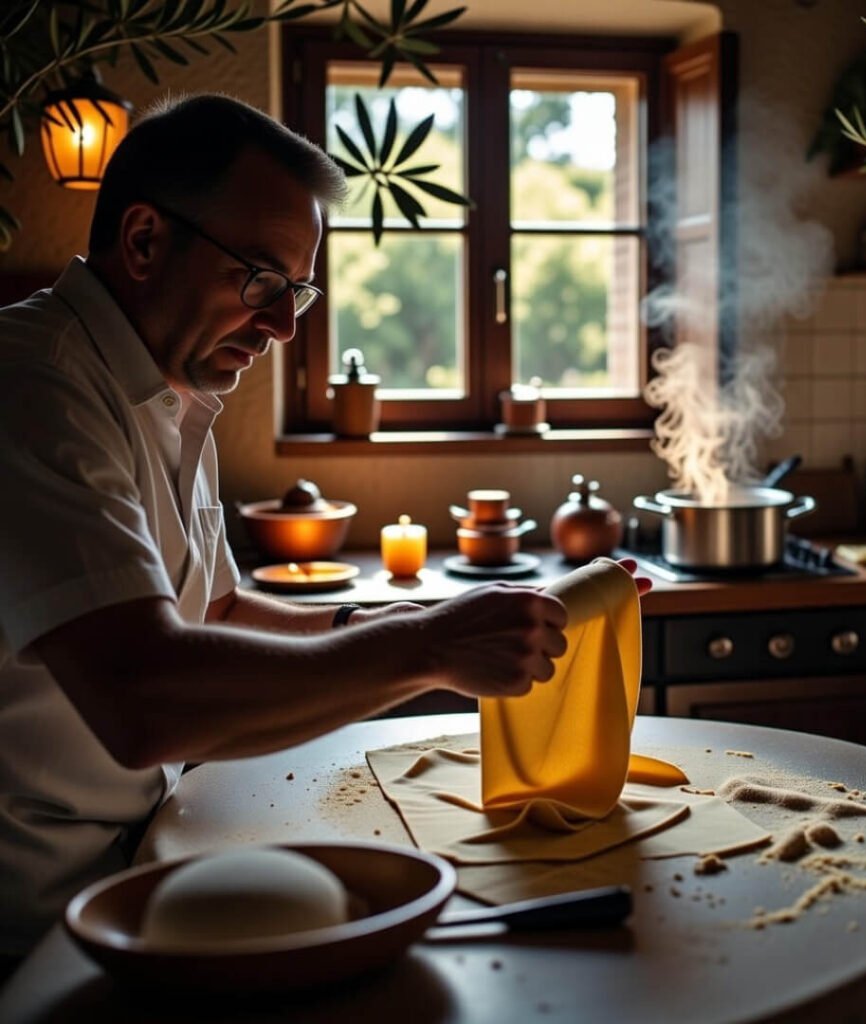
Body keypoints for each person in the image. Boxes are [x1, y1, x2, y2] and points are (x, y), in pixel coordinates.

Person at [0, 93, 649, 968]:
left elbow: (216, 620)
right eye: (261, 280)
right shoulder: (34, 387)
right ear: (146, 240)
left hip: (138, 867)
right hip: (33, 927)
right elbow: (142, 699)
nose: (284, 326)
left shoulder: (166, 393)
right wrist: (426, 647)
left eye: (296, 290)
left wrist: (402, 624)